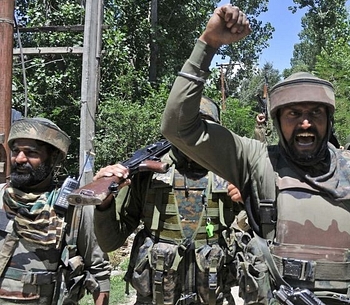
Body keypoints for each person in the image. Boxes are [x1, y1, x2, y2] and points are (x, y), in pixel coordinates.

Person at [160, 4, 350, 305]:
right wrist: (208, 45)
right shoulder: (258, 162)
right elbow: (178, 127)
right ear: (278, 122)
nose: (305, 122)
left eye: (315, 113)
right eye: (293, 113)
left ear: (328, 120)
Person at [92, 97, 243, 305]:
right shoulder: (148, 170)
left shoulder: (232, 170)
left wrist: (249, 199)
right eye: (188, 125)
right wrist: (104, 203)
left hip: (212, 295)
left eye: (203, 126)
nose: (194, 134)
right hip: (156, 296)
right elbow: (110, 242)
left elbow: (259, 235)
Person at [0, 117, 111, 304]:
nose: (19, 159)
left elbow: (99, 273)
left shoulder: (74, 210)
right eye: (16, 151)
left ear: (53, 158)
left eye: (31, 153)